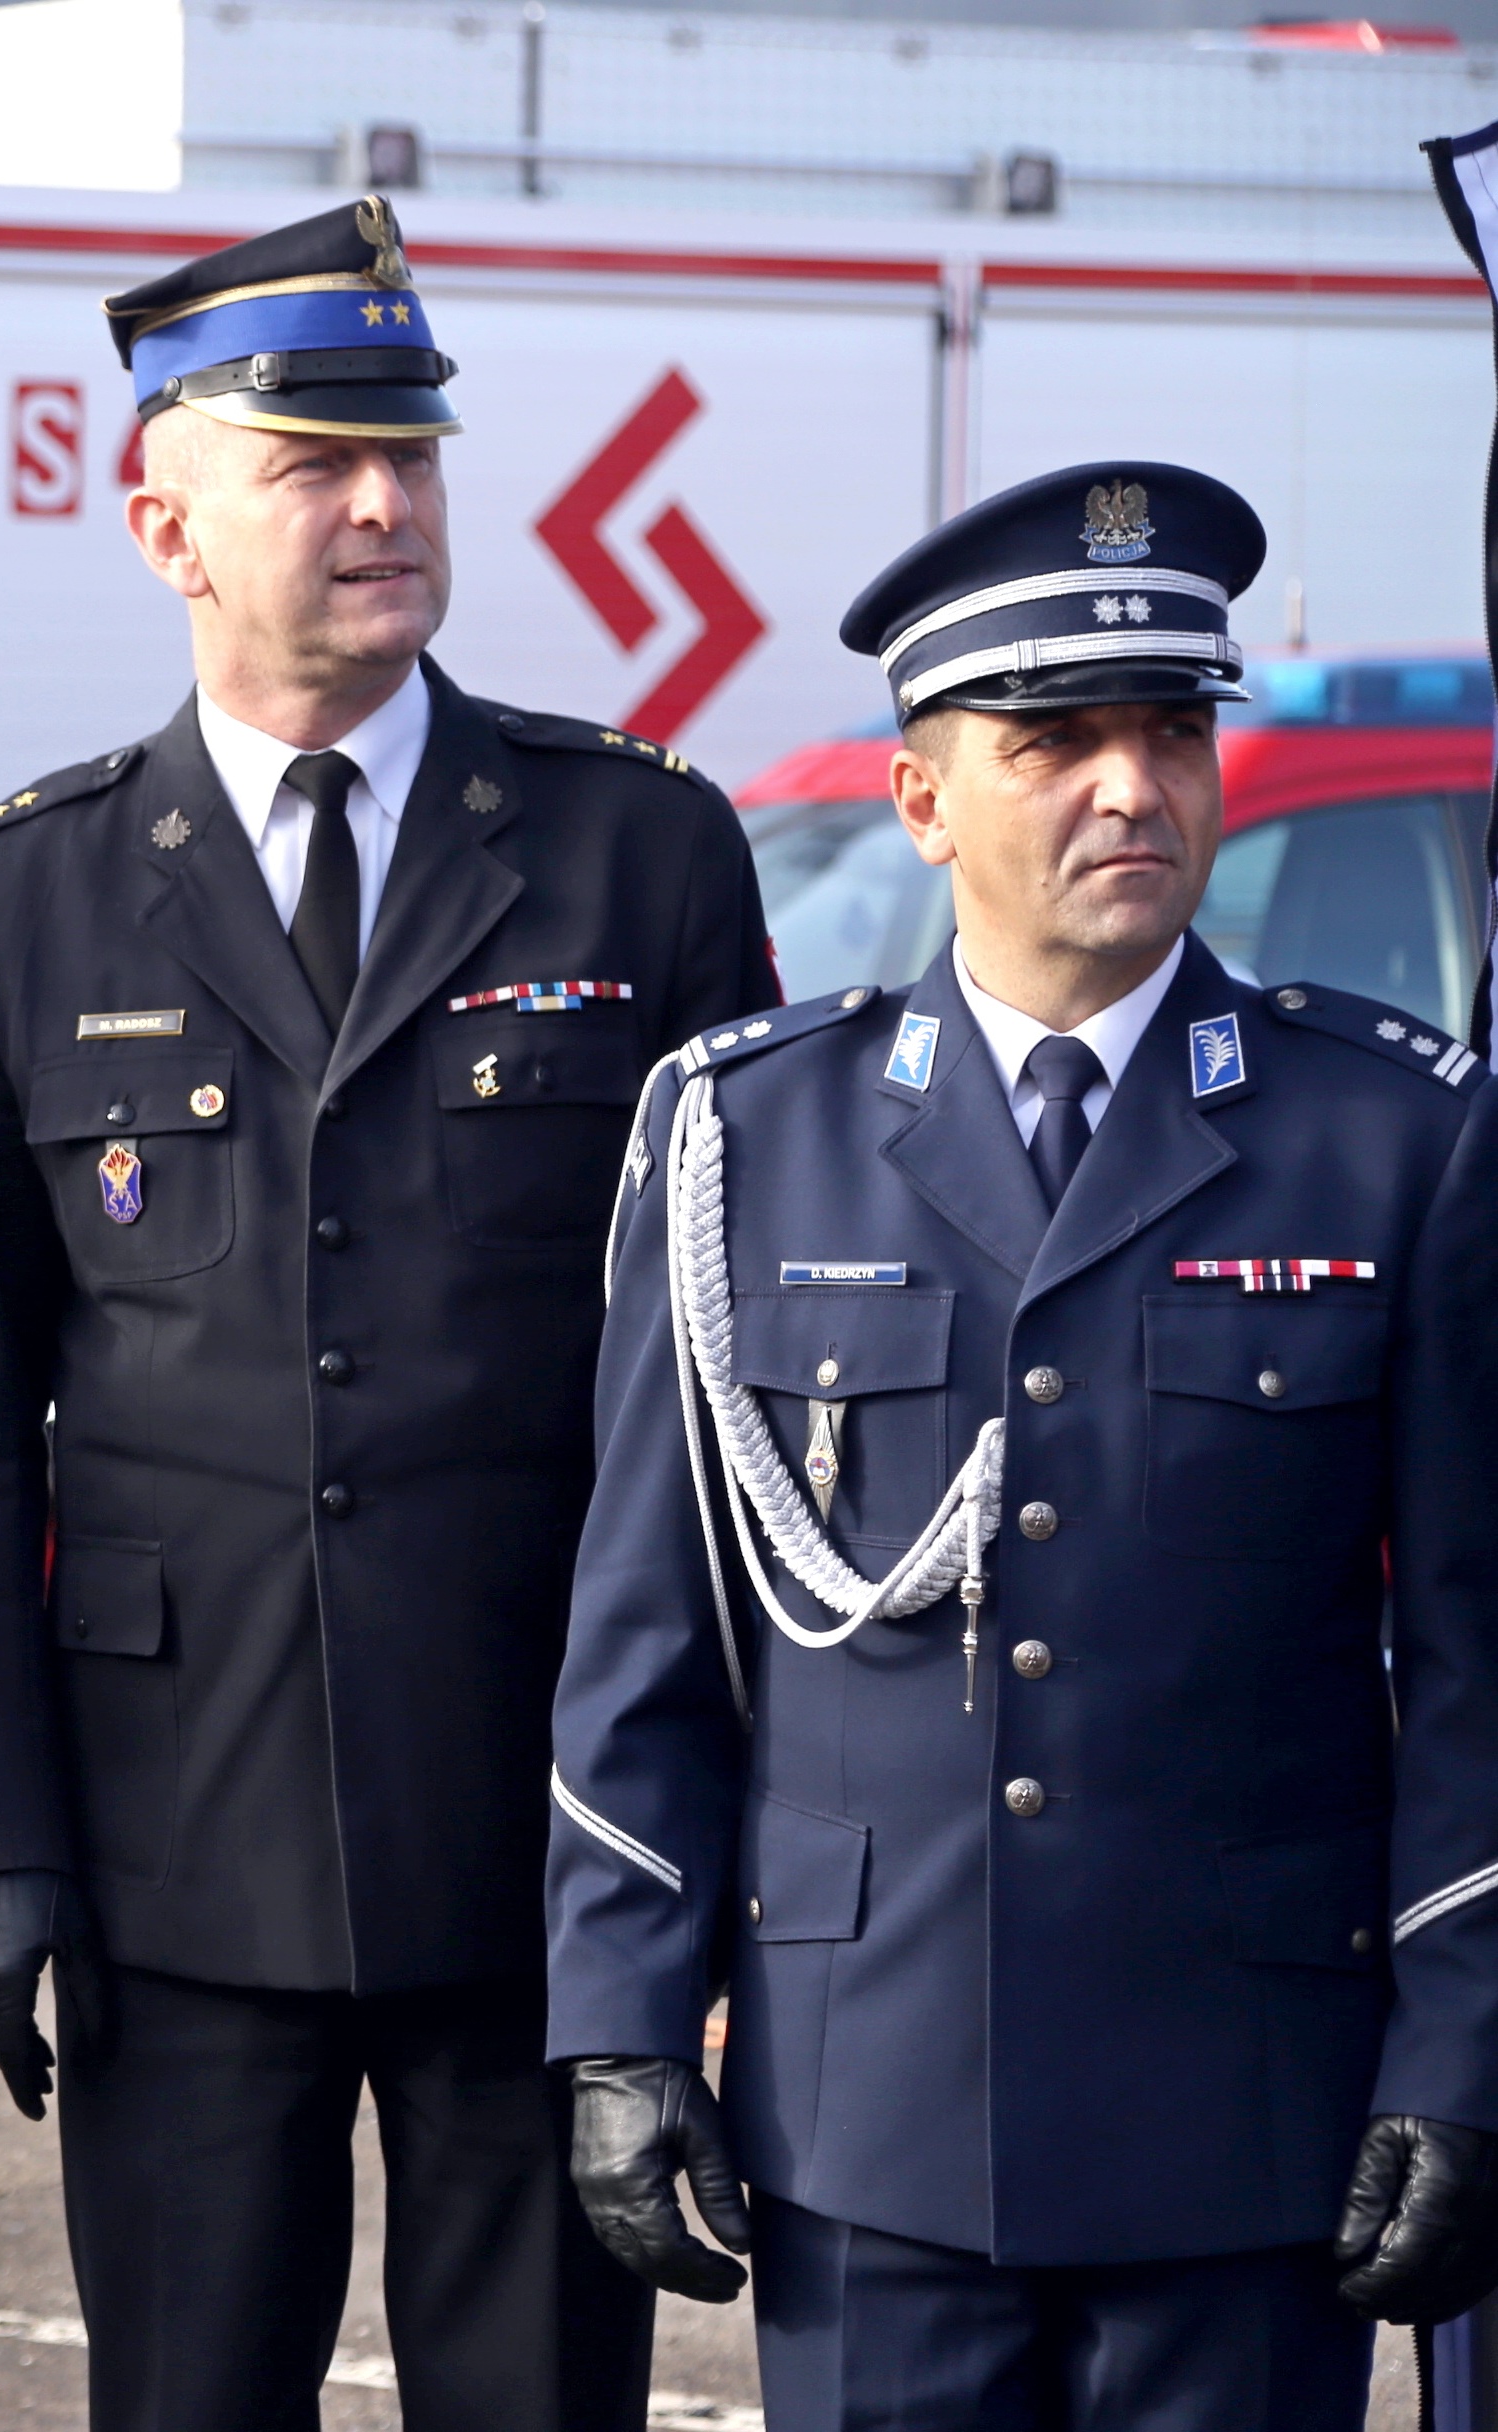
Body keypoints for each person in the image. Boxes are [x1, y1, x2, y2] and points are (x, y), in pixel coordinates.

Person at [0, 196, 775, 2431]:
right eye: (312, 461)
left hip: (544, 1839)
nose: (383, 503)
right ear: (165, 520)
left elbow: (746, 1396)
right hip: (177, 1837)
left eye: (411, 452)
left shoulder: (634, 855)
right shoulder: (21, 899)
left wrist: (734, 1850)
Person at [546, 461, 1498, 2429]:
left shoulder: (1395, 1137)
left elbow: (1480, 1664)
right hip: (868, 2106)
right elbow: (641, 1630)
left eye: (1168, 732)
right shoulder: (740, 1138)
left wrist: (1460, 2046)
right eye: (1053, 743)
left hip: (1250, 2114)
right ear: (919, 802)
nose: (1130, 787)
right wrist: (622, 2020)